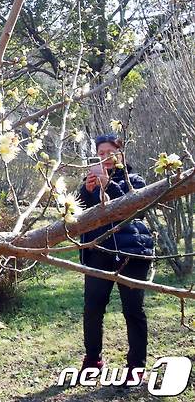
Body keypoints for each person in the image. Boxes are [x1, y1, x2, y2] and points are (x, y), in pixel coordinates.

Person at [77, 134, 154, 384]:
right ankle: (92, 360)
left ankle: (137, 366)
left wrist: (107, 183)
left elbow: (127, 207)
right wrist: (87, 191)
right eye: (100, 154)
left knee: (133, 310)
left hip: (132, 253)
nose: (105, 158)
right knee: (92, 309)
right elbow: (79, 216)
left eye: (110, 152)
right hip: (98, 254)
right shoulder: (89, 183)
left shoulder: (135, 181)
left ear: (121, 155)